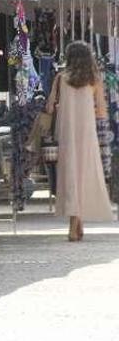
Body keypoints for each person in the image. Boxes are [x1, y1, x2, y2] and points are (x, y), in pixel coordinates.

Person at [46, 41, 114, 241]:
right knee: (84, 175)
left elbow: (50, 108)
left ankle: (74, 224)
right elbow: (101, 111)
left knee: (70, 176)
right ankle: (77, 222)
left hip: (66, 134)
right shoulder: (95, 80)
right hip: (88, 135)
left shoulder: (60, 78)